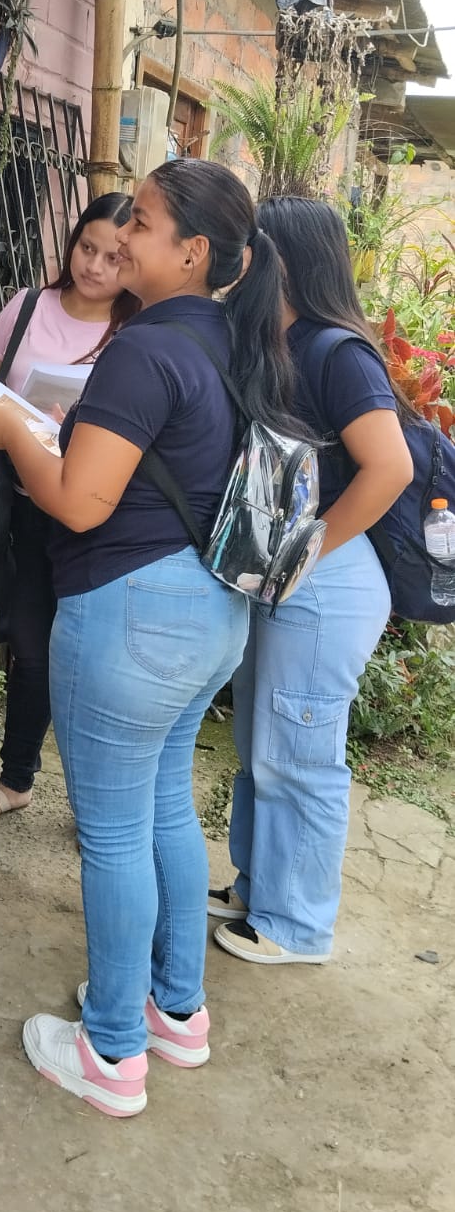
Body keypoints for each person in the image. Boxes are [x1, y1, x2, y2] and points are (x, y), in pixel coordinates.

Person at [0, 159, 305, 1117]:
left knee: (113, 836)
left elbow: (78, 501)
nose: (121, 238)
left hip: (131, 616)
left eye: (141, 223)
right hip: (211, 614)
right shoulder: (234, 344)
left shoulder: (145, 351)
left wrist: (8, 429)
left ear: (192, 253)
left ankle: (111, 1050)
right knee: (163, 811)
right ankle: (174, 1009)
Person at [209, 196, 414, 966]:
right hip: (286, 572)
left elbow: (389, 467)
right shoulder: (277, 341)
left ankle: (296, 925)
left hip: (326, 579)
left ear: (285, 259)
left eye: (253, 247)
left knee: (299, 751)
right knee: (262, 742)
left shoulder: (337, 351)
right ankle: (257, 886)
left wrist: (311, 549)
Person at [0, 194, 138, 825]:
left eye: (113, 257)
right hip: (22, 508)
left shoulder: (136, 332)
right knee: (30, 647)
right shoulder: (29, 306)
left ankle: (103, 805)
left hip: (96, 518)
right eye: (87, 247)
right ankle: (17, 780)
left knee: (97, 662)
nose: (94, 266)